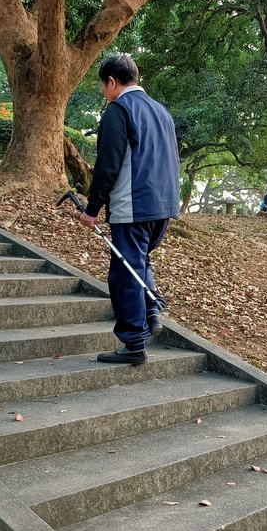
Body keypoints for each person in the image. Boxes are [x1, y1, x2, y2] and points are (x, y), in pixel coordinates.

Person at [78, 54, 180, 366]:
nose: (103, 92)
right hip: (163, 205)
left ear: (112, 81)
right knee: (138, 261)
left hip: (134, 204)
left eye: (102, 85)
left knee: (124, 272)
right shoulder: (162, 112)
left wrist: (92, 208)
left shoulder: (118, 110)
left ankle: (134, 342)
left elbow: (108, 164)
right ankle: (150, 309)